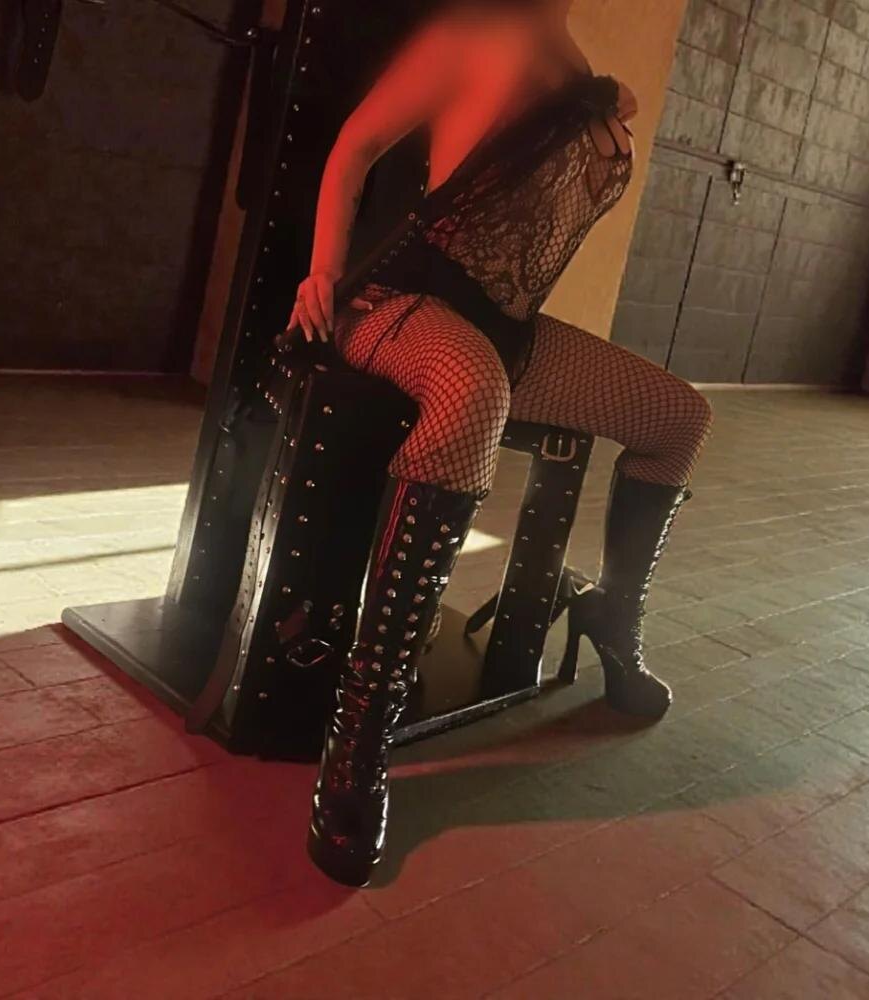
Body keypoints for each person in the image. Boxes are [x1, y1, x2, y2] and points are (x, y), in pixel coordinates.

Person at [286, 0, 713, 887]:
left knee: (677, 415)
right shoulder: (470, 31)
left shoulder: (574, 59)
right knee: (472, 391)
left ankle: (612, 617)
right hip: (401, 304)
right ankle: (362, 728)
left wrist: (595, 109)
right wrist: (322, 271)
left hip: (505, 330)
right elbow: (356, 145)